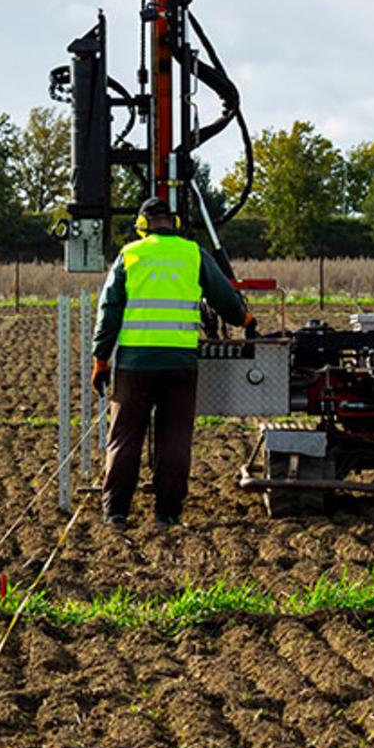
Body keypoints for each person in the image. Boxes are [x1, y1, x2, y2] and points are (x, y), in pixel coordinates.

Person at [91, 196, 252, 529]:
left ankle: (115, 512)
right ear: (174, 224)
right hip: (181, 363)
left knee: (124, 437)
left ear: (141, 226)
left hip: (135, 364)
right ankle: (167, 514)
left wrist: (100, 359)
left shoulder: (130, 255)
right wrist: (245, 317)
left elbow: (109, 311)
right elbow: (225, 298)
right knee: (175, 438)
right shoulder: (193, 254)